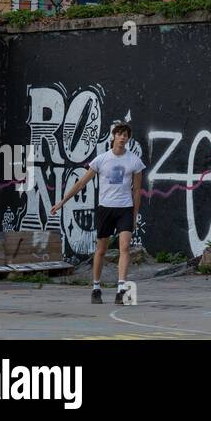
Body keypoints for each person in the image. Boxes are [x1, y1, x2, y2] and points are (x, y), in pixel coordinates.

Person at [51, 121, 145, 304]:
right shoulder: (101, 160)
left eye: (126, 135)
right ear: (114, 136)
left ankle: (121, 289)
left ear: (128, 139)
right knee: (101, 250)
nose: (123, 137)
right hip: (105, 209)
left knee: (124, 247)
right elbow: (81, 183)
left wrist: (134, 215)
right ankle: (96, 288)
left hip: (124, 208)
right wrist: (62, 202)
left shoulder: (134, 161)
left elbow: (137, 190)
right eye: (120, 134)